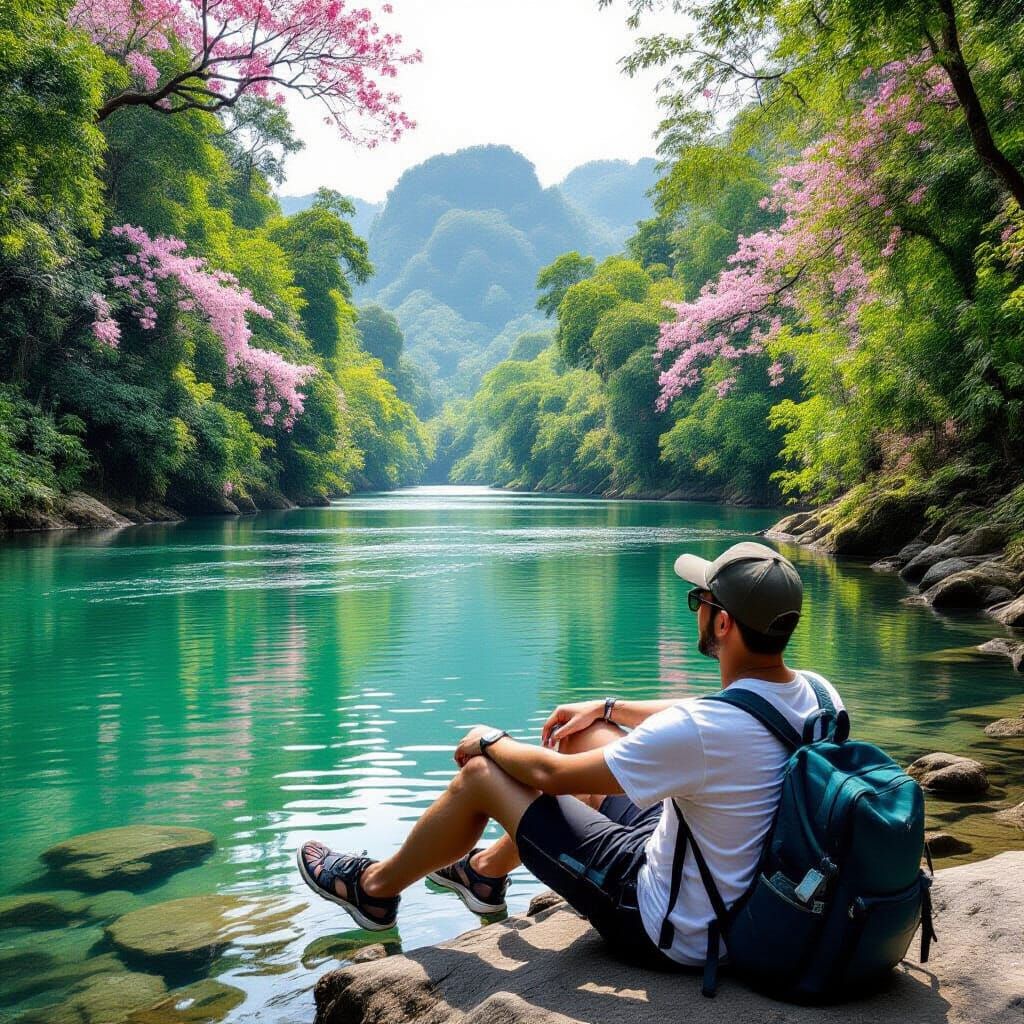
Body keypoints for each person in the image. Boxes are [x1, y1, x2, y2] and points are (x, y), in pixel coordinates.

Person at [297, 541, 844, 971]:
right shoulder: (819, 694)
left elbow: (549, 776)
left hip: (671, 923)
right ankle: (484, 874)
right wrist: (607, 706)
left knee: (484, 777)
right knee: (592, 733)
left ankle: (374, 891)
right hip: (741, 887)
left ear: (722, 622)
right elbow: (717, 714)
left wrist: (489, 739)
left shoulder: (703, 732)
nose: (696, 609)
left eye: (698, 600)